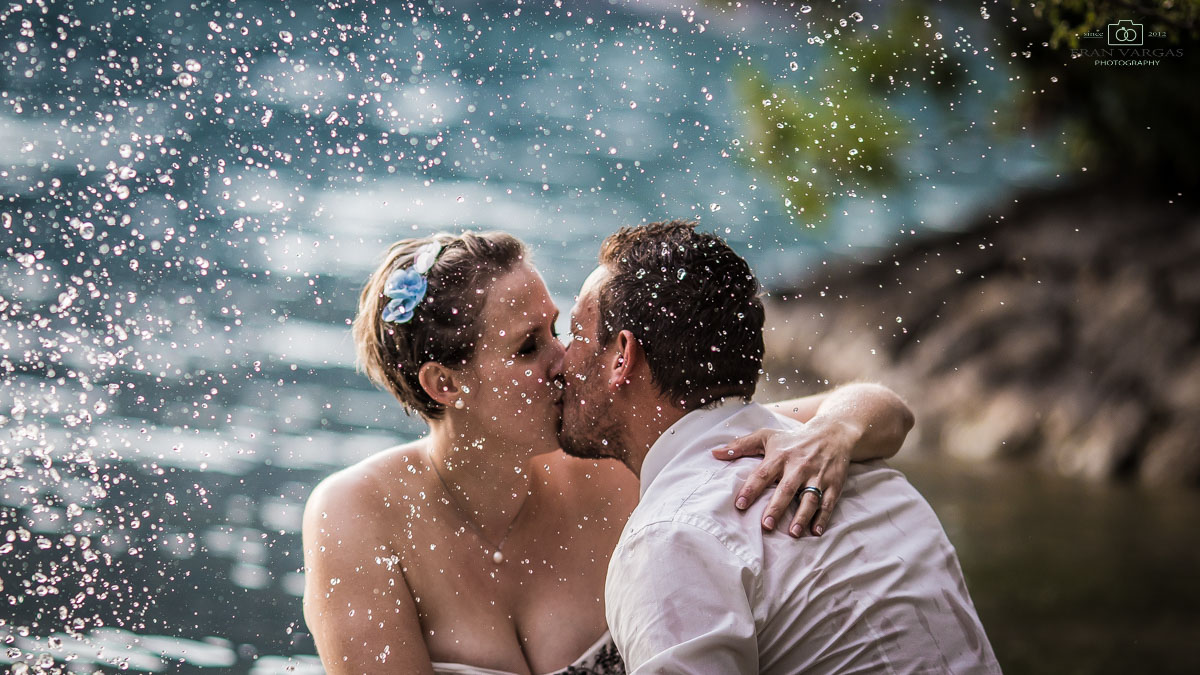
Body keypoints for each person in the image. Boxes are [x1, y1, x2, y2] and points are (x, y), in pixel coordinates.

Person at [302, 231, 916, 674]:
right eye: (526, 348)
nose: (565, 360)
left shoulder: (620, 463)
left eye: (557, 330)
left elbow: (882, 410)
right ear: (446, 384)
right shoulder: (359, 514)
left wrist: (832, 436)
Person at [558, 220, 1001, 674]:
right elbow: (883, 408)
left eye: (573, 335)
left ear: (621, 357)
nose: (559, 359)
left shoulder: (671, 537)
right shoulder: (859, 465)